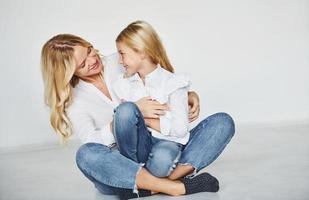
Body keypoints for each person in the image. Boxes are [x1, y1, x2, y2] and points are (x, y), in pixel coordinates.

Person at [40, 32, 235, 199]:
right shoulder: (73, 100)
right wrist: (129, 114)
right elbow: (93, 141)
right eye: (83, 63)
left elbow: (164, 82)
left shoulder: (120, 59)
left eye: (90, 50)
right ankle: (174, 186)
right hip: (123, 162)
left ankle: (146, 186)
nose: (93, 60)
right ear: (68, 73)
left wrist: (188, 95)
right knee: (85, 155)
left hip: (163, 142)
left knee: (222, 123)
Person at [113, 21, 191, 178]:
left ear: (141, 52)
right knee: (125, 110)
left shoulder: (172, 82)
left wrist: (143, 119)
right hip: (138, 145)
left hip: (166, 141)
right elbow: (123, 121)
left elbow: (180, 129)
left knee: (161, 161)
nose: (120, 61)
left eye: (122, 54)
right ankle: (137, 174)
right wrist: (135, 112)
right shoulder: (122, 84)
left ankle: (134, 177)